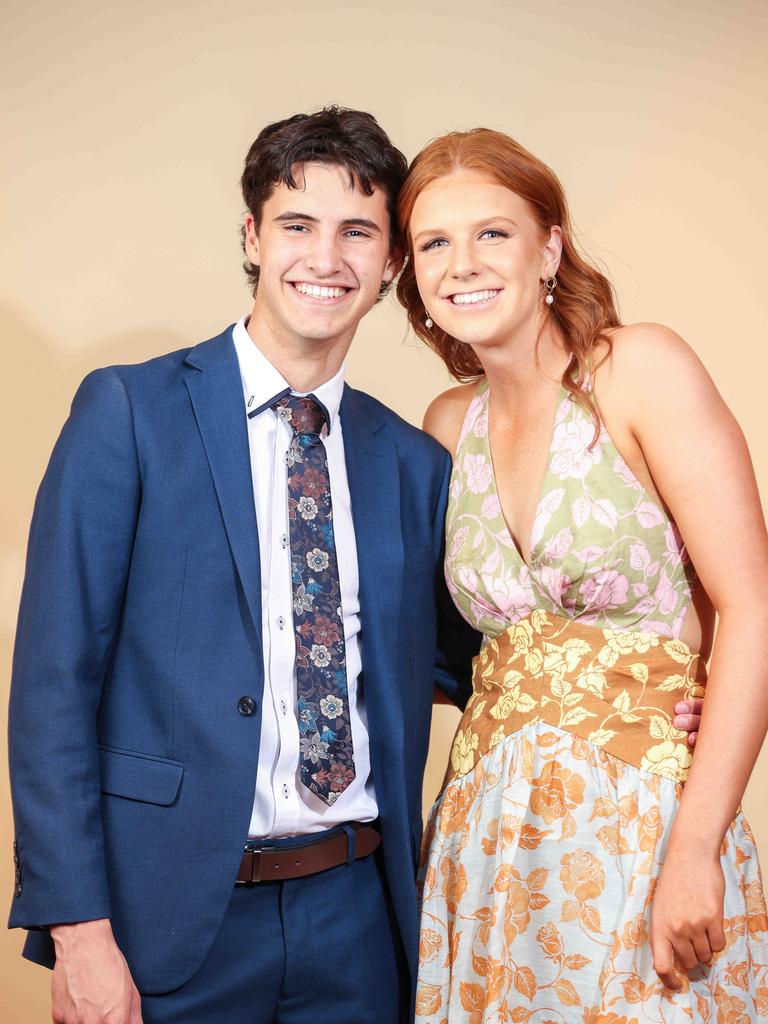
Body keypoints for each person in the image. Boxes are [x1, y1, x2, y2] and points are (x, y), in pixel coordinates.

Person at [7, 107, 483, 1024]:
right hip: (166, 921)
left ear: (391, 265)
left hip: (357, 918)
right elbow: (52, 687)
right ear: (254, 237)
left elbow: (466, 661)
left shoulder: (413, 463)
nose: (325, 257)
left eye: (358, 232)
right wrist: (77, 928)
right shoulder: (130, 413)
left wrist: (631, 687)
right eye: (297, 224)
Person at [396, 129, 768, 1021]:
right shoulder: (447, 425)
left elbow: (752, 607)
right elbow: (447, 655)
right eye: (433, 244)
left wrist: (695, 844)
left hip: (643, 827)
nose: (462, 265)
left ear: (549, 245)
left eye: (492, 233)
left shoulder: (639, 370)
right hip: (482, 839)